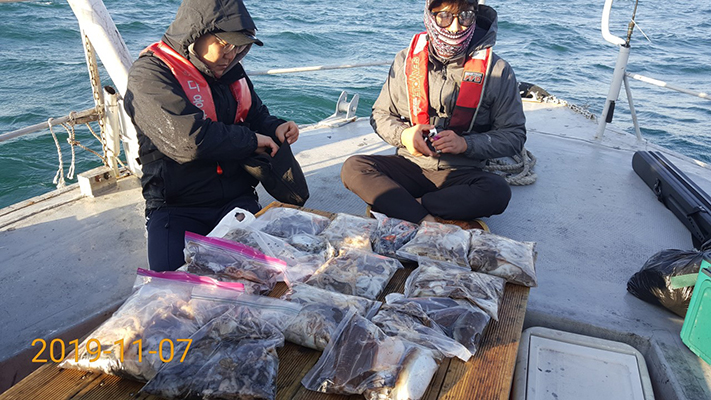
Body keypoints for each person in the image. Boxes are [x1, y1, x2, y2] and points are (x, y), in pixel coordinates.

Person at [124, 0, 299, 271]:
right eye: (225, 44)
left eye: (239, 47)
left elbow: (255, 114)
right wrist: (252, 140)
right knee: (174, 285)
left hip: (236, 198)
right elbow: (189, 141)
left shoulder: (231, 72)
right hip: (176, 207)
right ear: (196, 34)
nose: (231, 54)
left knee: (265, 274)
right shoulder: (150, 75)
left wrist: (275, 127)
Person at [341, 0, 526, 225]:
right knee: (353, 168)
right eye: (444, 16)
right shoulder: (404, 61)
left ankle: (406, 208)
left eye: (465, 16)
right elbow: (380, 115)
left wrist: (466, 144)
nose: (455, 27)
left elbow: (514, 135)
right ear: (431, 16)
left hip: (462, 173)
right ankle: (430, 219)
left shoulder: (498, 71)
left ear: (475, 17)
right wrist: (404, 135)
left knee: (497, 191)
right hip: (410, 166)